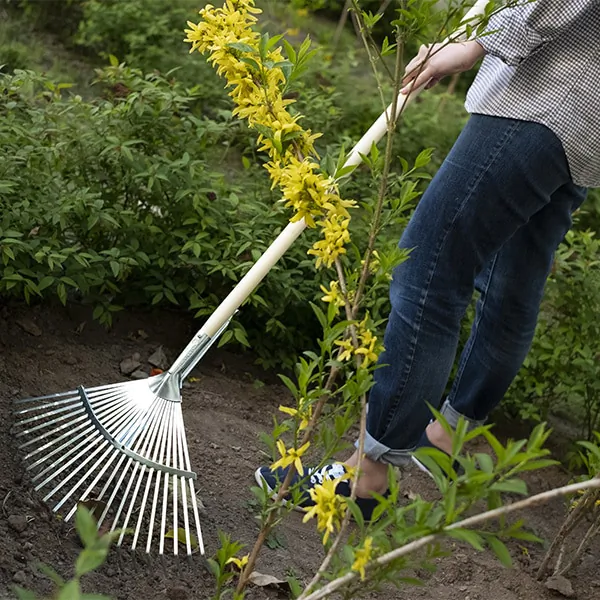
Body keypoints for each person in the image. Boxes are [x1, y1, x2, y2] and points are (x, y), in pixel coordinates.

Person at [256, 0, 600, 518]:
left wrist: (478, 43)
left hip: (543, 96)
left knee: (429, 269)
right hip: (586, 123)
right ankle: (446, 436)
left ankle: (368, 471)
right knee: (511, 286)